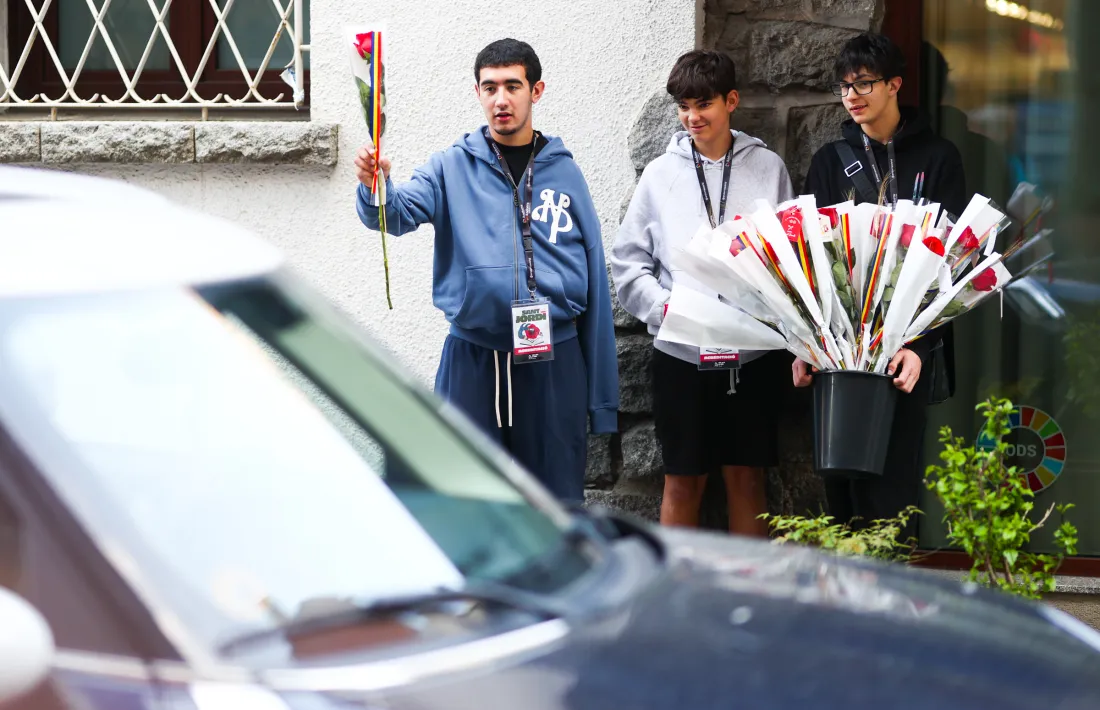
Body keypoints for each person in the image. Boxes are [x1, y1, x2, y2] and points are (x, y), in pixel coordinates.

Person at [353, 38, 618, 504]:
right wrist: (376, 185)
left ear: (536, 91)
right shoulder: (450, 167)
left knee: (555, 503)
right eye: (490, 87)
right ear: (477, 91)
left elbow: (595, 277)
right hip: (473, 359)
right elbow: (395, 214)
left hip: (553, 359)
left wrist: (602, 402)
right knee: (468, 498)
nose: (501, 99)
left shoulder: (565, 173)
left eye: (512, 86)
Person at [611, 50, 794, 536]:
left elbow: (790, 259)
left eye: (704, 104)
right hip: (680, 352)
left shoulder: (768, 169)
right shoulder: (659, 175)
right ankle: (679, 602)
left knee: (747, 480)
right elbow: (629, 261)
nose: (693, 117)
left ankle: (747, 598)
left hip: (750, 354)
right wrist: (665, 308)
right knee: (682, 482)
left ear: (731, 101)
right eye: (684, 106)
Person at [798, 32, 967, 540]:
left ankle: (893, 604)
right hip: (840, 350)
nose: (853, 95)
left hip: (904, 350)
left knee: (894, 489)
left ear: (895, 84)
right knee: (842, 487)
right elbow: (810, 259)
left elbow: (953, 260)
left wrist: (920, 344)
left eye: (864, 83)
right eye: (844, 86)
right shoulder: (831, 161)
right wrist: (807, 343)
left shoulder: (938, 157)